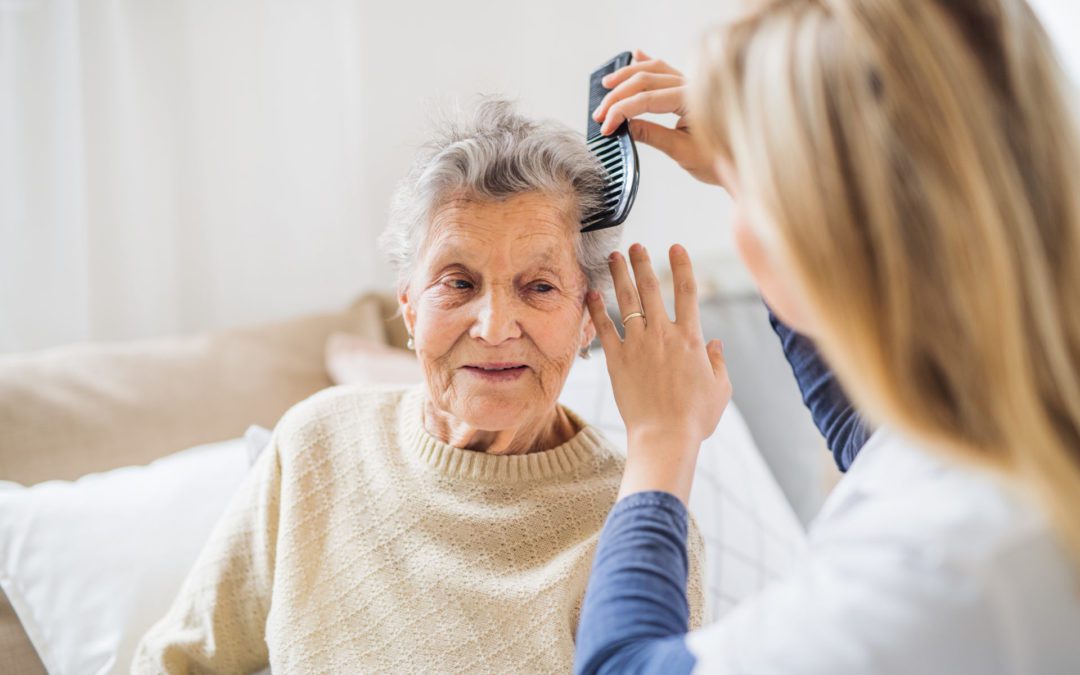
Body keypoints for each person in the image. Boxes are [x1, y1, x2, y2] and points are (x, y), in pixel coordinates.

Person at [573, 0, 1080, 671]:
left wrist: (660, 438)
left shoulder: (944, 569)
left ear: (811, 234)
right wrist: (743, 172)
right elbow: (873, 440)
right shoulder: (1010, 417)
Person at [132, 98, 706, 674]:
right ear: (408, 307)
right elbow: (175, 661)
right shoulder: (317, 445)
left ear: (588, 317)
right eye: (459, 282)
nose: (495, 326)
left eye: (538, 287)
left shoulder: (638, 526)